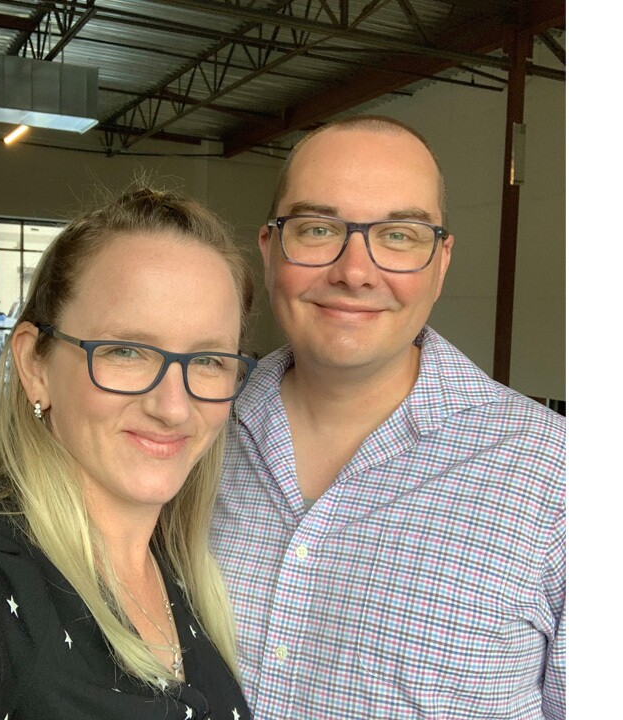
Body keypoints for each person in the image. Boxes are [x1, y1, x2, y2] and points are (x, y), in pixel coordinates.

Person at [211, 116, 566, 719]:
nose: (354, 271)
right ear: (269, 249)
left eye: (399, 235)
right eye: (318, 228)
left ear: (441, 260)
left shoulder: (558, 478)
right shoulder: (193, 431)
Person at [0, 186, 258, 720]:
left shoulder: (178, 566)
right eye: (126, 351)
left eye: (208, 360)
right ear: (35, 365)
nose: (174, 407)